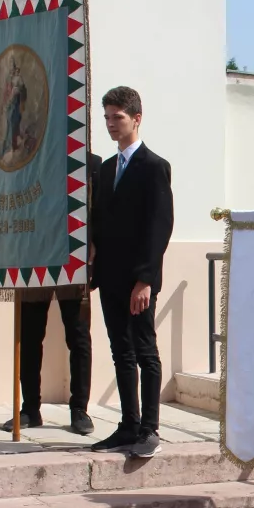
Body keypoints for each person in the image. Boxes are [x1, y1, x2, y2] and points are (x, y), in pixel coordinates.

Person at [88, 87, 173, 458]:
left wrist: (146, 280)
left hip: (138, 279)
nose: (111, 124)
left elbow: (159, 227)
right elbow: (100, 222)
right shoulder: (107, 169)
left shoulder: (154, 167)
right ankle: (128, 424)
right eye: (107, 117)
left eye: (117, 117)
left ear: (136, 119)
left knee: (144, 350)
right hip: (110, 276)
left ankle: (149, 428)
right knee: (120, 351)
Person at [1, 152, 102, 435]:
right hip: (35, 257)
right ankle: (30, 408)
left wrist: (95, 244)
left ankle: (79, 409)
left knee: (79, 337)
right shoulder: (27, 160)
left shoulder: (90, 163)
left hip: (74, 260)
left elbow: (101, 213)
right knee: (30, 336)